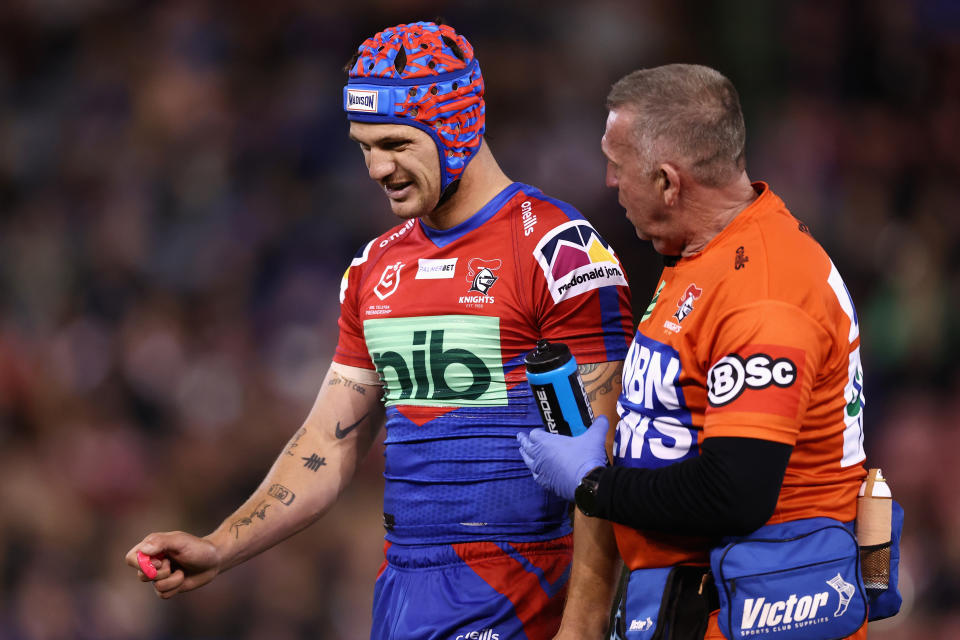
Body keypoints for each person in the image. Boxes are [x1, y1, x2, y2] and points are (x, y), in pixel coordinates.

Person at [125, 21, 633, 640]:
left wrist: (581, 627)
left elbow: (601, 461)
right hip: (404, 589)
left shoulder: (559, 250)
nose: (374, 167)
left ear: (459, 127)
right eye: (363, 146)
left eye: (394, 143)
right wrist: (219, 546)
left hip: (523, 585)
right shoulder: (374, 267)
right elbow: (329, 443)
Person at [518, 64, 875, 640]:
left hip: (758, 612)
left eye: (617, 164)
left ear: (667, 181)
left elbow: (735, 491)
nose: (609, 181)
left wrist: (594, 483)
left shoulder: (765, 290)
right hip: (690, 604)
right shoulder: (701, 253)